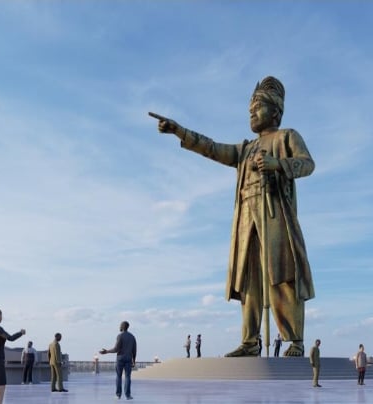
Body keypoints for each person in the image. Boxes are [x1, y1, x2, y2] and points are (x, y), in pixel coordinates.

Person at [153, 76, 315, 357]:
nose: (251, 112)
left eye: (258, 106)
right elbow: (213, 148)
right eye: (250, 107)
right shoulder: (245, 149)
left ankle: (294, 341)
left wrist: (279, 164)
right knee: (249, 279)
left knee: (282, 275)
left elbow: (308, 164)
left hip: (274, 214)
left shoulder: (287, 136)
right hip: (246, 218)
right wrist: (180, 132)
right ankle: (250, 341)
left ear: (275, 111)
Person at [100, 321, 137, 400]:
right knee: (127, 377)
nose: (119, 327)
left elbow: (116, 349)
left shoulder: (120, 336)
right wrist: (134, 360)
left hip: (120, 358)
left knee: (119, 376)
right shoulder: (132, 337)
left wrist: (106, 351)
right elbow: (134, 350)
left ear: (123, 327)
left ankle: (118, 395)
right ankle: (128, 395)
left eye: (120, 325)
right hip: (128, 358)